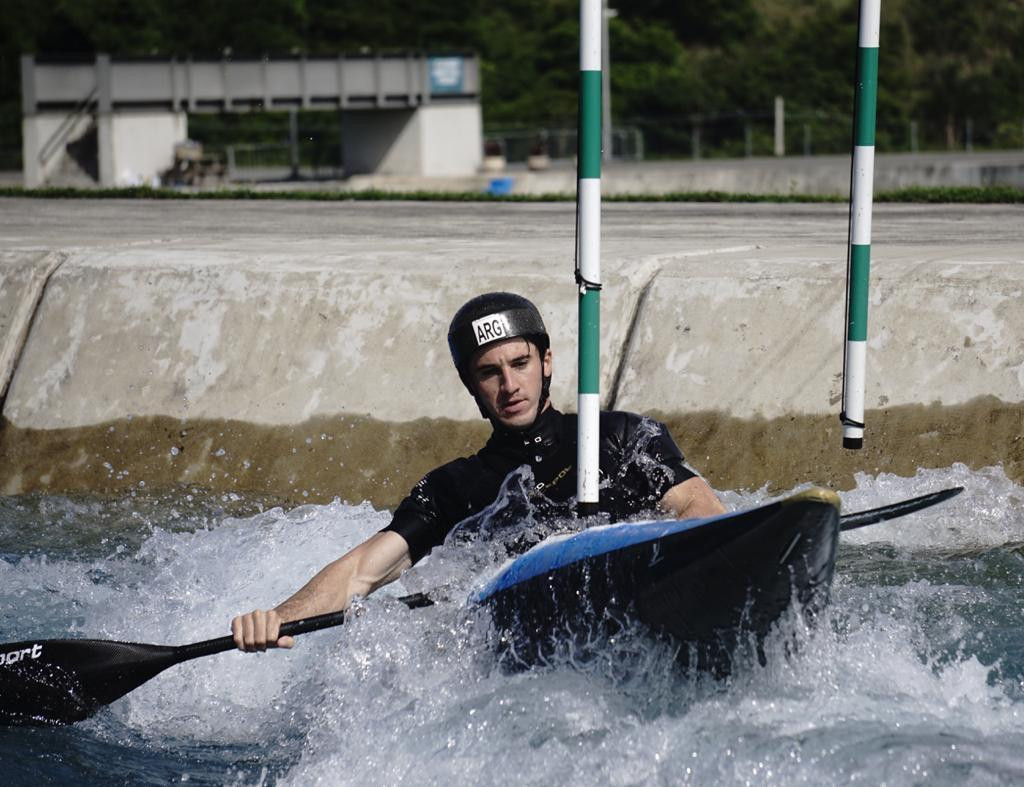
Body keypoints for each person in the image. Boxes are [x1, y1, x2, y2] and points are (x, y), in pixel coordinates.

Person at [232, 292, 725, 651]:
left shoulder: (619, 436)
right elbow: (362, 571)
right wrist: (278, 618)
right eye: (489, 372)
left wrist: (666, 571)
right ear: (471, 384)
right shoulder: (454, 487)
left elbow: (698, 505)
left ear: (546, 361)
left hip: (645, 600)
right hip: (536, 643)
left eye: (520, 363)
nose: (509, 385)